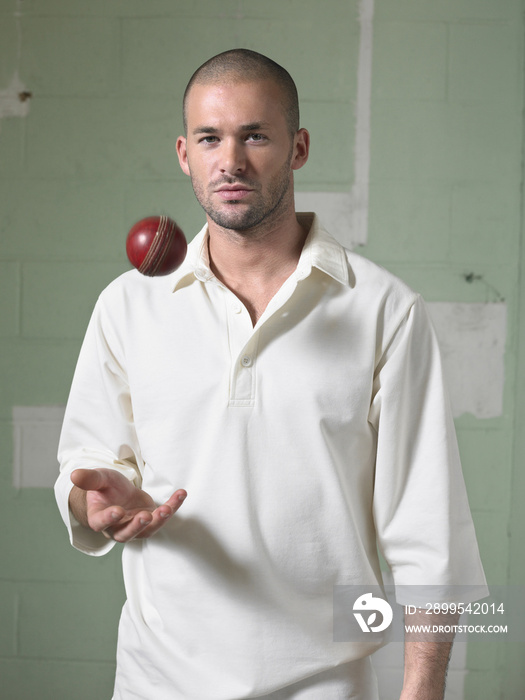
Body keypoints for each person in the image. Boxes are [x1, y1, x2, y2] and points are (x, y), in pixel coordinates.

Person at [55, 49, 487, 700]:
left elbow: (428, 531)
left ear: (298, 147)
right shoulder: (127, 304)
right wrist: (95, 503)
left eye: (254, 135)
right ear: (183, 154)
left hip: (324, 686)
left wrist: (422, 689)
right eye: (209, 138)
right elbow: (85, 465)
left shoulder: (383, 310)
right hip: (155, 682)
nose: (229, 161)